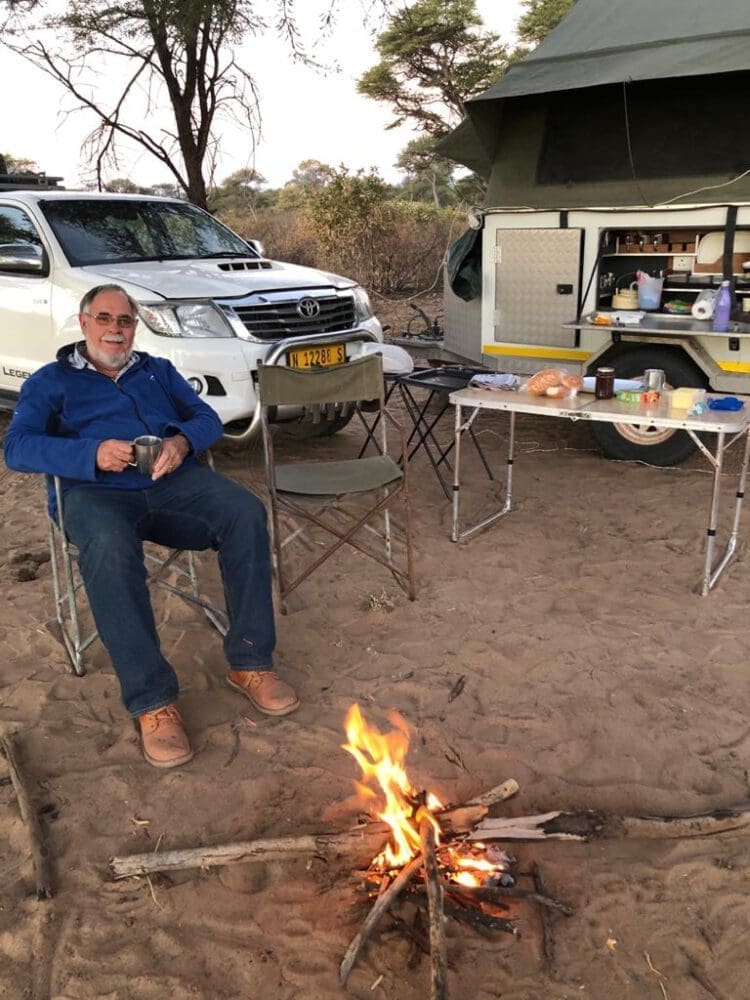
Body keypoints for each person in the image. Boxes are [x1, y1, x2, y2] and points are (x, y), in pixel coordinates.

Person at [4, 283, 298, 768]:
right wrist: (90, 454)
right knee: (109, 545)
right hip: (94, 493)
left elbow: (205, 416)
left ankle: (250, 663)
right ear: (83, 323)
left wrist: (182, 443)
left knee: (245, 511)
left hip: (170, 484)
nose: (116, 331)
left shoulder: (157, 372)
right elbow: (17, 447)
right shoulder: (50, 381)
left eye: (125, 321)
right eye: (104, 319)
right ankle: (152, 702)